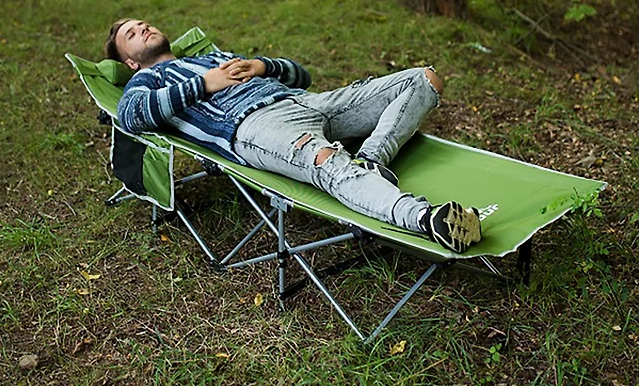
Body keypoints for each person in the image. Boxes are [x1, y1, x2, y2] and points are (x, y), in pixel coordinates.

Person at [105, 19, 481, 254]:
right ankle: (427, 220)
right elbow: (131, 115)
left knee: (423, 79)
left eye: (143, 24)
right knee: (327, 162)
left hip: (307, 102)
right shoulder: (147, 80)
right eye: (132, 35)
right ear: (131, 61)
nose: (144, 29)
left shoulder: (215, 54)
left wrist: (265, 66)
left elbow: (303, 76)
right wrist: (207, 83)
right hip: (255, 126)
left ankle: (371, 162)